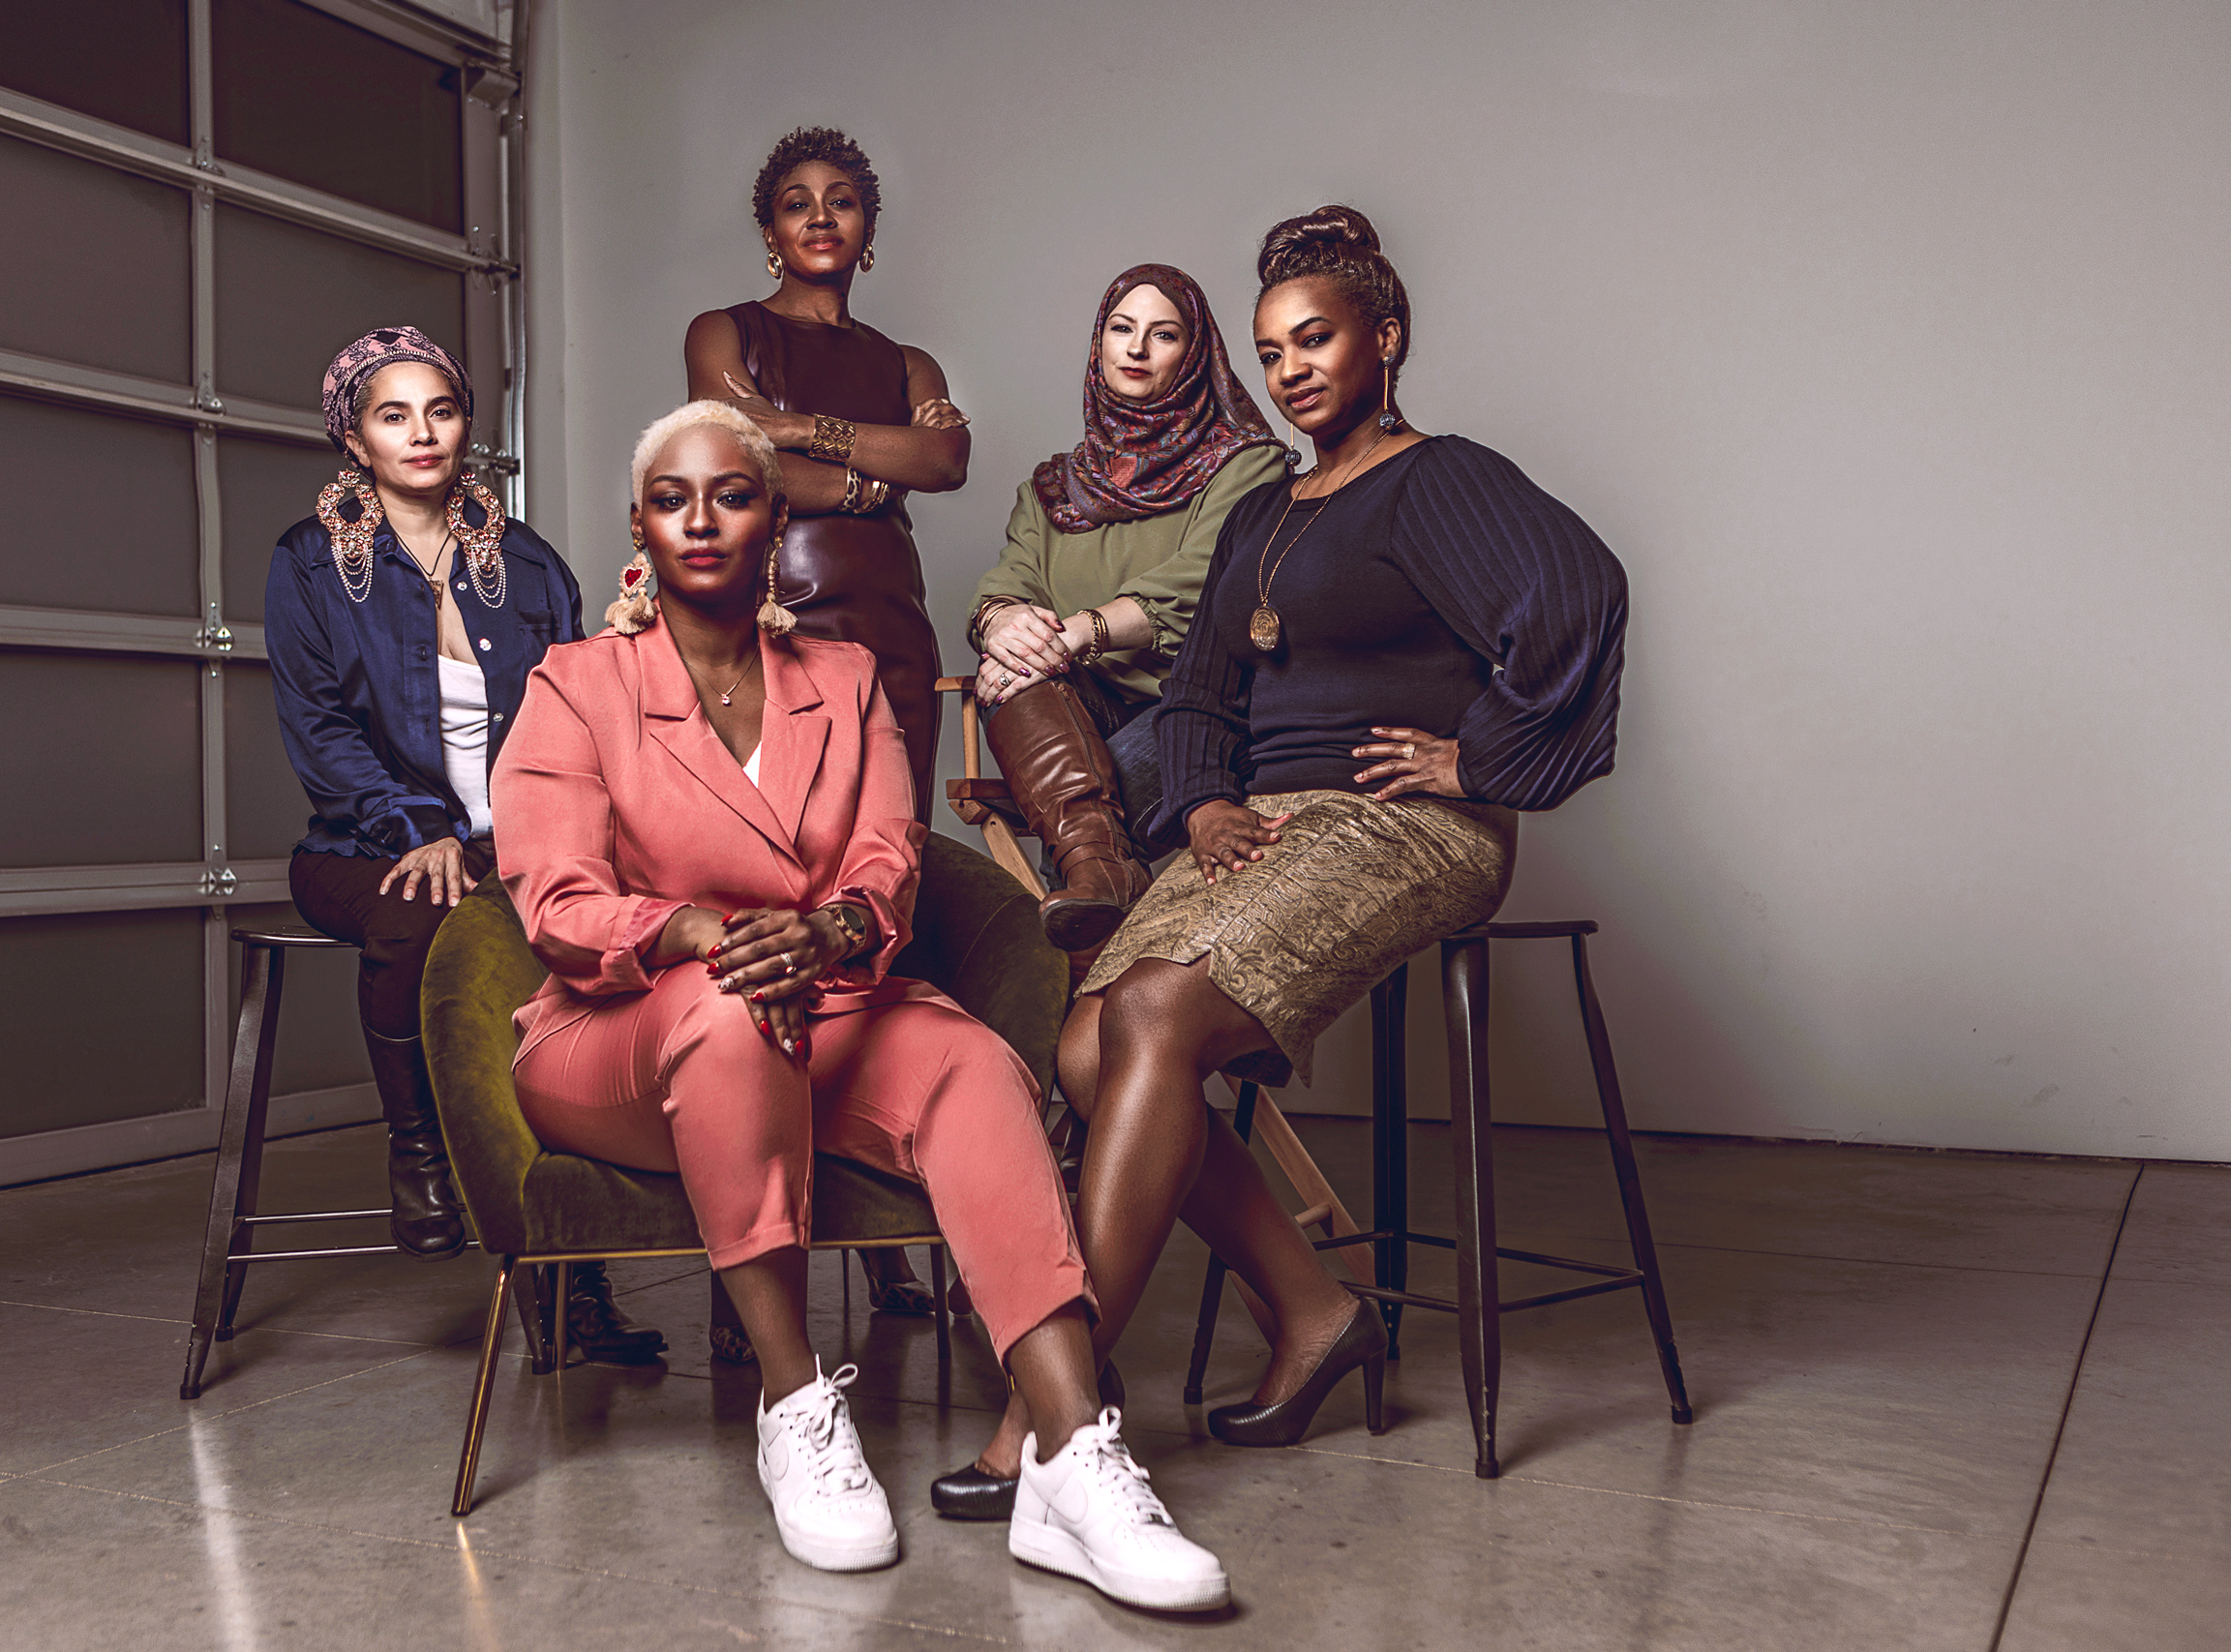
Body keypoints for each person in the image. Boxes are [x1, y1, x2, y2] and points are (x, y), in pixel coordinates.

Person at [492, 401, 1227, 1611]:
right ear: (640, 527)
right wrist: (691, 929)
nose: (702, 519)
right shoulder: (575, 688)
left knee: (973, 1065)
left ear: (775, 520)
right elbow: (558, 901)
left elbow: (887, 860)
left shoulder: (844, 680)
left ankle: (1066, 1452)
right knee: (728, 1016)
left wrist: (836, 927)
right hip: (615, 1030)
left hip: (826, 1012)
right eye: (673, 498)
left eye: (731, 493)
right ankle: (794, 1405)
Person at [968, 204, 1631, 1486]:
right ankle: (1317, 1311)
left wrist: (1477, 763)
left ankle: (1056, 1405)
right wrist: (1207, 797)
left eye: (1315, 341)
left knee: (1154, 1016)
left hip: (1405, 823)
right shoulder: (1262, 510)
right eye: (1271, 353)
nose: (1291, 371)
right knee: (1089, 1043)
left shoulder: (1441, 477)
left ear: (1384, 339)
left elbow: (1578, 593)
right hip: (1262, 824)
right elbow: (1206, 684)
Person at [262, 325, 663, 1362]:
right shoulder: (309, 565)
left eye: (440, 409)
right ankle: (419, 1152)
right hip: (359, 845)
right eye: (393, 415)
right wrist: (422, 827)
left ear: (466, 424)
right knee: (419, 917)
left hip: (514, 846)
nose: (422, 432)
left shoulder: (524, 563)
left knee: (580, 970)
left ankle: (576, 1288)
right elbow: (321, 729)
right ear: (354, 439)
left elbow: (576, 716)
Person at [683, 126, 971, 1326]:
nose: (818, 218)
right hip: (777, 625)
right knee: (771, 881)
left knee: (875, 893)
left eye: (842, 201)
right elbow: (735, 463)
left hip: (893, 631)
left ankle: (884, 1210)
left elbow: (947, 459)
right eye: (795, 203)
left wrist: (807, 437)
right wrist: (867, 475)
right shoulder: (725, 333)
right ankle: (756, 1215)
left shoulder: (906, 354)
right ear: (769, 229)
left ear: (866, 228)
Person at [967, 263, 1285, 949]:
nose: (1136, 349)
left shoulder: (1246, 463)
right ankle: (1103, 880)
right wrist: (1003, 627)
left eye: (1163, 334)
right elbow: (1008, 581)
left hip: (1198, 706)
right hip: (1077, 707)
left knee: (1076, 831)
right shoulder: (1055, 487)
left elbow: (1205, 581)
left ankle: (1096, 900)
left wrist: (1080, 631)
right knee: (1016, 678)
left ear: (1195, 354)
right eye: (1121, 328)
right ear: (1099, 345)